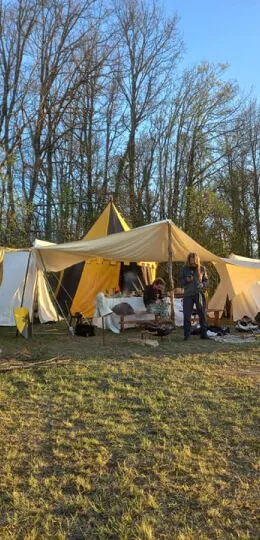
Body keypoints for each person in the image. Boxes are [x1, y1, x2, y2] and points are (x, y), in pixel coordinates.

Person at [180, 253, 209, 341]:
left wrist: (202, 284)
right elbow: (181, 281)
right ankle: (187, 335)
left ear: (197, 259)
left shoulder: (202, 268)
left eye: (193, 258)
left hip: (199, 294)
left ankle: (204, 334)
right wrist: (186, 280)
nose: (192, 260)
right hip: (188, 295)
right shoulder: (184, 269)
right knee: (187, 315)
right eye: (190, 258)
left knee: (202, 314)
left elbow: (206, 281)